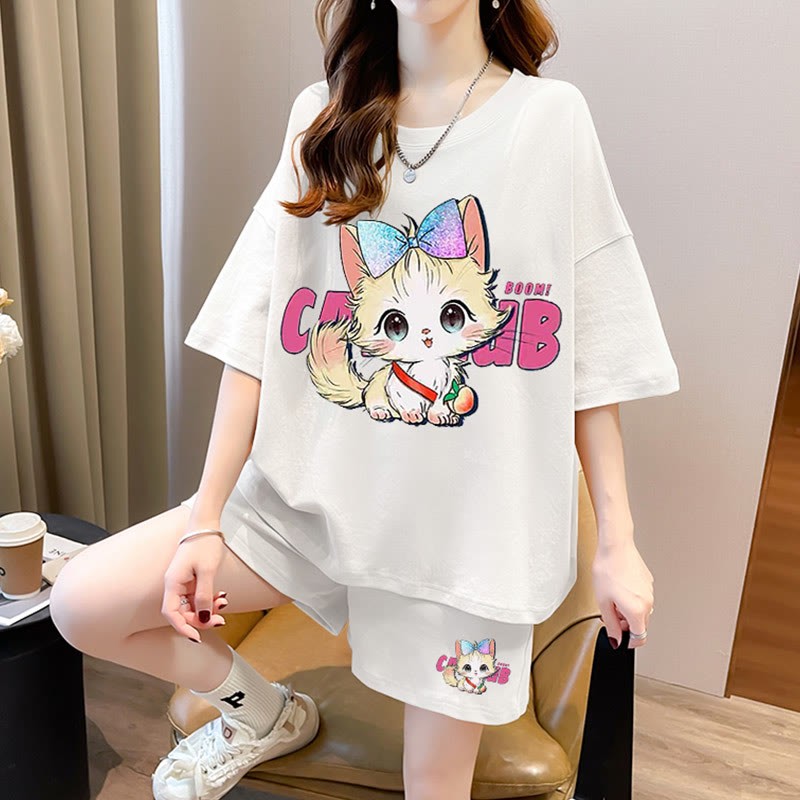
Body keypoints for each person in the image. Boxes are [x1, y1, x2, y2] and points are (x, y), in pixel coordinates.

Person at [49, 1, 679, 799]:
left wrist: (618, 541)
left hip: (460, 541)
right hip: (312, 504)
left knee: (434, 787)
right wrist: (206, 517)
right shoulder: (324, 120)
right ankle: (264, 714)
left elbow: (593, 356)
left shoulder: (551, 121)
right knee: (84, 603)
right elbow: (257, 333)